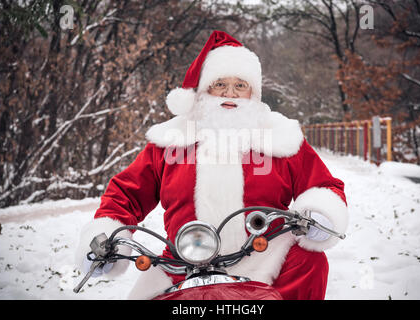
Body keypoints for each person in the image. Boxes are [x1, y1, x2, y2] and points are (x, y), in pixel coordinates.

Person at [75, 30, 348, 300]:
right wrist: (106, 236)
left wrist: (319, 214)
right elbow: (127, 193)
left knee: (310, 262)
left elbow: (322, 185)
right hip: (184, 263)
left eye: (240, 85)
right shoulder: (172, 139)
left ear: (254, 92)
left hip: (265, 255)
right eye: (220, 84)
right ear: (204, 89)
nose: (230, 93)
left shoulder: (279, 136)